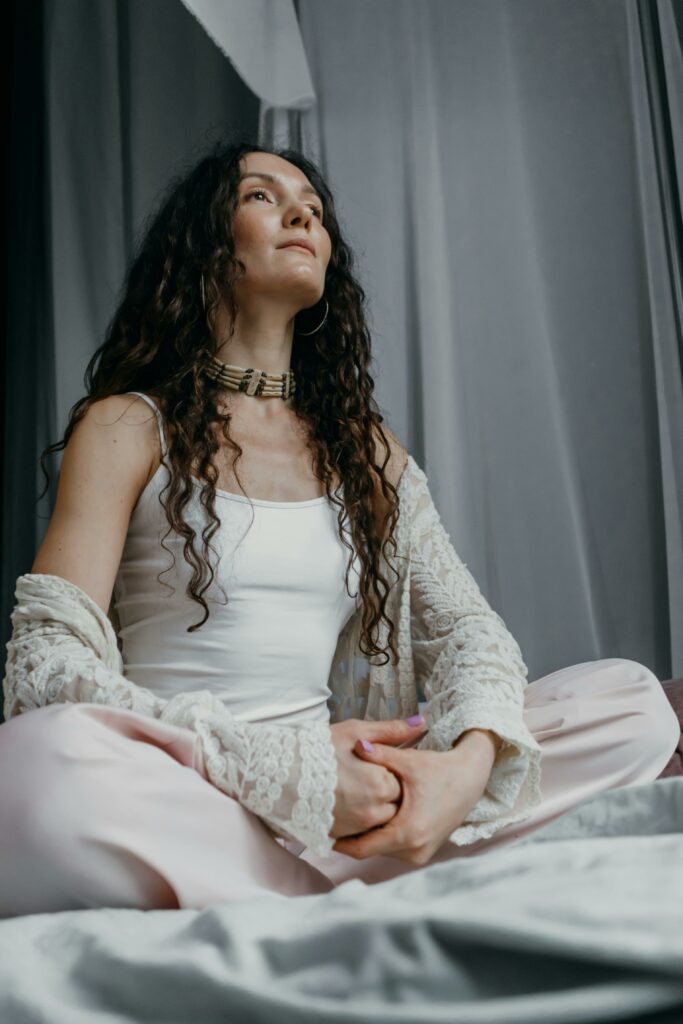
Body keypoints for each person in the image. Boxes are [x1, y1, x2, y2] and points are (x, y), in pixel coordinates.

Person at [0, 138, 679, 917]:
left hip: (354, 809)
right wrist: (286, 770)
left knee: (628, 704)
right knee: (41, 761)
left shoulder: (369, 454)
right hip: (183, 786)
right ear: (202, 247)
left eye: (313, 209)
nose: (299, 212)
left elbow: (468, 633)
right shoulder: (125, 426)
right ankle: (306, 889)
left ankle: (334, 867)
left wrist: (461, 772)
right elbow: (46, 663)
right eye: (261, 196)